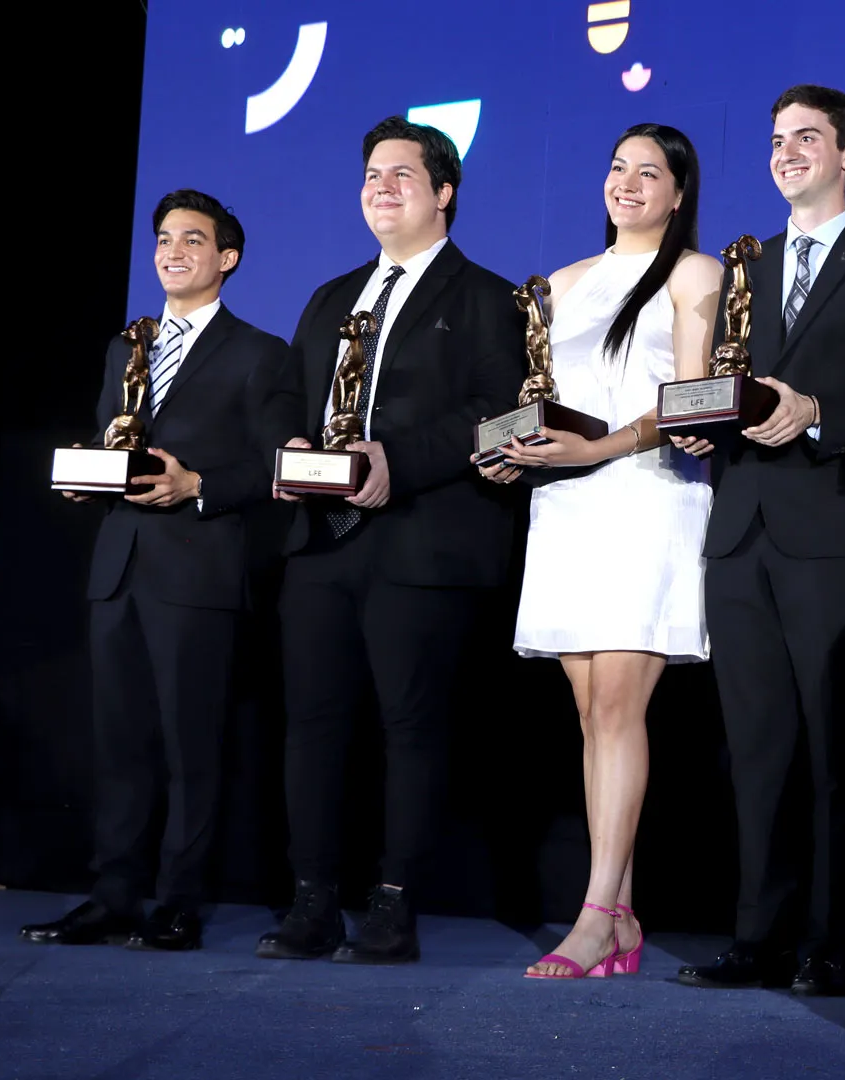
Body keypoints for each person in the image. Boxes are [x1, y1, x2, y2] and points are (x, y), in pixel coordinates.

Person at [674, 84, 845, 998]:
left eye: (807, 138)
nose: (786, 153)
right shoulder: (745, 268)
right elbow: (725, 389)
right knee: (756, 751)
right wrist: (703, 422)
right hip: (741, 532)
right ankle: (758, 938)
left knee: (838, 756)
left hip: (835, 532)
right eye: (777, 139)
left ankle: (833, 942)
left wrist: (819, 413)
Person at [256, 116, 526, 965]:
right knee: (312, 725)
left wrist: (396, 460)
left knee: (412, 729)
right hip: (321, 541)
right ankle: (310, 903)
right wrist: (293, 444)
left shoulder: (486, 297)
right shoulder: (333, 297)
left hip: (421, 541)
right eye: (372, 173)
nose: (382, 187)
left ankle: (395, 906)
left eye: (402, 175)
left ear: (444, 193)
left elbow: (499, 409)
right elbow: (282, 396)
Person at [476, 123, 720, 978]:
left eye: (649, 172)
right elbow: (542, 402)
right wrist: (510, 448)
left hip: (647, 494)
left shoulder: (696, 273)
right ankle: (616, 914)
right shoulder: (564, 282)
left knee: (618, 707)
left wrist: (600, 448)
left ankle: (594, 912)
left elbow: (688, 401)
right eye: (617, 166)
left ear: (678, 193)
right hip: (568, 505)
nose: (628, 182)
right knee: (590, 714)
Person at [23, 190, 290, 952]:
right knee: (118, 746)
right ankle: (112, 895)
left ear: (226, 258)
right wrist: (91, 473)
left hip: (197, 571)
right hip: (119, 568)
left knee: (190, 746)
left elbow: (273, 462)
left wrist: (198, 484)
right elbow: (119, 439)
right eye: (164, 238)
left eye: (193, 240)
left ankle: (179, 901)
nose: (173, 251)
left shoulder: (259, 352)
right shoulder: (126, 345)